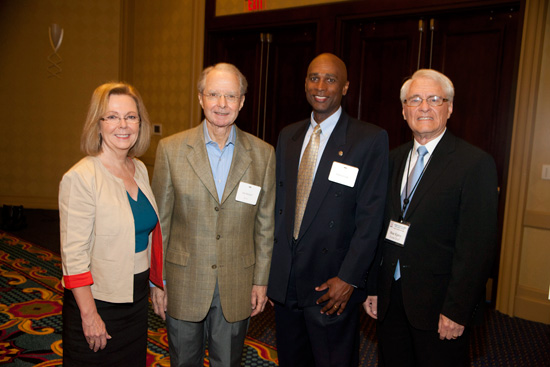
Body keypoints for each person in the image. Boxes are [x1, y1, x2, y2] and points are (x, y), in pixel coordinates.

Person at [364, 69, 498, 367]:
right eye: (415, 99)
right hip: (390, 299)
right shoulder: (392, 159)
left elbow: (477, 248)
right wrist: (373, 287)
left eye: (434, 99)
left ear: (449, 107)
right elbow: (379, 229)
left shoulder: (474, 164)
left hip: (440, 306)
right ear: (403, 110)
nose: (424, 107)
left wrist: (457, 310)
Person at [149, 63, 275, 367]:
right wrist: (157, 282)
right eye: (214, 94)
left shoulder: (263, 154)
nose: (222, 104)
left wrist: (261, 281)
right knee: (183, 362)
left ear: (242, 101)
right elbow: (160, 224)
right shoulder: (171, 150)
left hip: (237, 283)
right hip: (182, 280)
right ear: (200, 98)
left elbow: (265, 225)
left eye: (231, 96)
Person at [267, 53, 389, 367]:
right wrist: (271, 273)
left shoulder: (369, 139)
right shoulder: (288, 136)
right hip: (287, 282)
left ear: (345, 87)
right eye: (314, 78)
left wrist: (348, 279)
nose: (321, 86)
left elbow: (371, 219)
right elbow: (279, 209)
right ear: (305, 83)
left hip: (330, 285)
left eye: (331, 79)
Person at [59, 82, 164, 366]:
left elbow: (145, 234)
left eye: (131, 116)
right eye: (113, 116)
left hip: (137, 298)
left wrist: (156, 284)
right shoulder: (81, 177)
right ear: (98, 123)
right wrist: (89, 315)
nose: (123, 125)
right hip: (98, 301)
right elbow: (74, 257)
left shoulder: (139, 168)